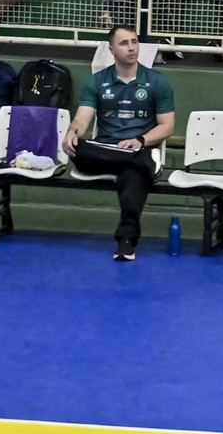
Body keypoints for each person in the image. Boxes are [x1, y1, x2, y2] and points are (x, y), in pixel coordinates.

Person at [65, 26, 177, 260]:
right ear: (112, 49)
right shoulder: (98, 81)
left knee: (132, 176)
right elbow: (81, 119)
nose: (131, 48)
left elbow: (167, 127)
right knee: (79, 148)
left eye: (134, 42)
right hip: (103, 151)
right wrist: (72, 133)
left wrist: (140, 141)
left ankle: (126, 241)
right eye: (124, 43)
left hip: (138, 146)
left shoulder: (157, 82)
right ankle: (144, 161)